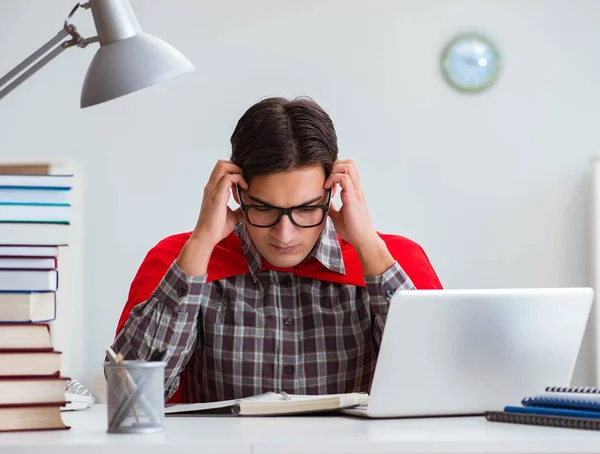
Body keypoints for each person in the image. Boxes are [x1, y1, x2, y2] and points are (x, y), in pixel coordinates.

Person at [110, 96, 442, 404]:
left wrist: (368, 245)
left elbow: (437, 383)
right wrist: (200, 243)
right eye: (265, 209)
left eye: (307, 209)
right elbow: (130, 396)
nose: (285, 234)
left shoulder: (395, 261)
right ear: (237, 194)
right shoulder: (181, 260)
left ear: (333, 193)